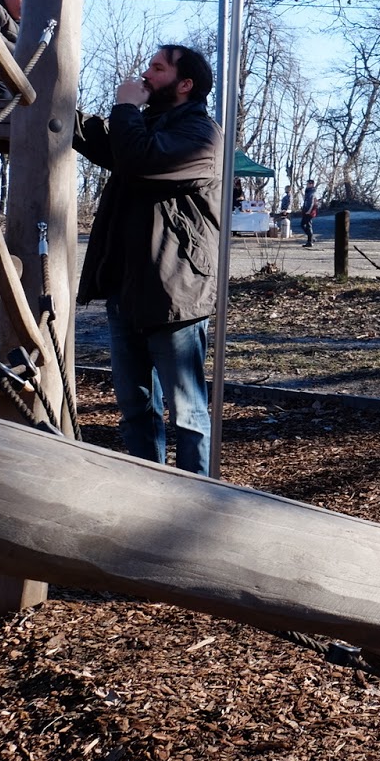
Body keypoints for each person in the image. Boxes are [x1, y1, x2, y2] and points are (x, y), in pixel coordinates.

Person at [74, 45, 221, 476]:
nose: (146, 73)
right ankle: (148, 491)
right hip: (125, 293)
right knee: (135, 409)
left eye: (158, 68)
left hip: (175, 295)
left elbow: (139, 160)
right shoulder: (144, 127)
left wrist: (125, 107)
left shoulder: (202, 136)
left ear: (185, 83)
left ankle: (195, 497)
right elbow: (101, 138)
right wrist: (49, 98)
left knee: (187, 413)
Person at [299, 179, 318, 247]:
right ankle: (311, 238)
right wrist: (301, 191)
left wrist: (309, 211)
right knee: (303, 225)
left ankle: (310, 241)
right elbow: (305, 199)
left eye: (308, 184)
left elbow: (312, 203)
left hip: (309, 211)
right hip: (306, 210)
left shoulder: (312, 192)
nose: (307, 185)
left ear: (311, 184)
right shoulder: (308, 191)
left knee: (308, 226)